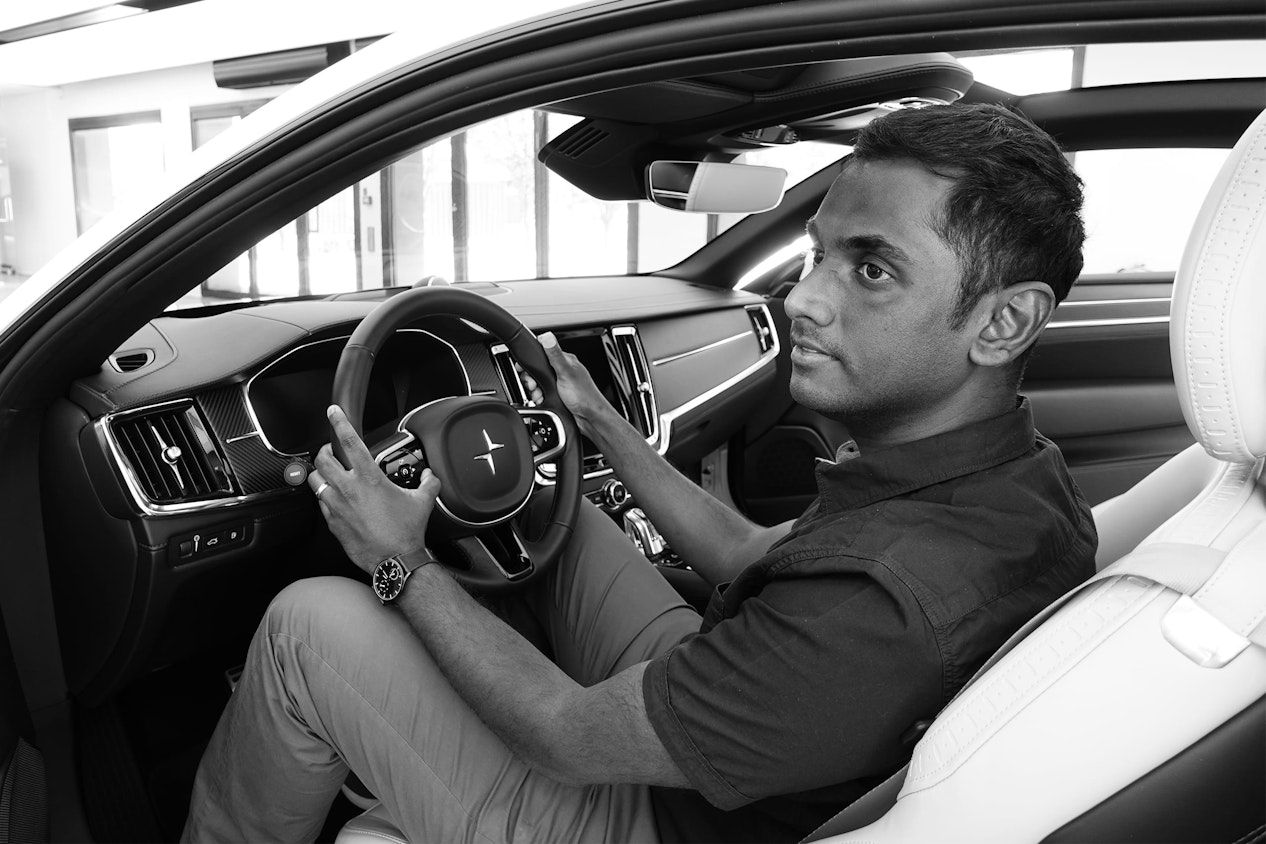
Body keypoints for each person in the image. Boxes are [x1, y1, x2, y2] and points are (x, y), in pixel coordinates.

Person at [182, 102, 1097, 844]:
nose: (801, 298)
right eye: (820, 253)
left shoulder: (880, 608)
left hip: (654, 820)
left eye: (873, 271)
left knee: (308, 624)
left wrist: (399, 562)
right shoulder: (1014, 483)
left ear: (1004, 323)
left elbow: (567, 737)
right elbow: (750, 556)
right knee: (556, 508)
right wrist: (601, 426)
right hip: (730, 722)